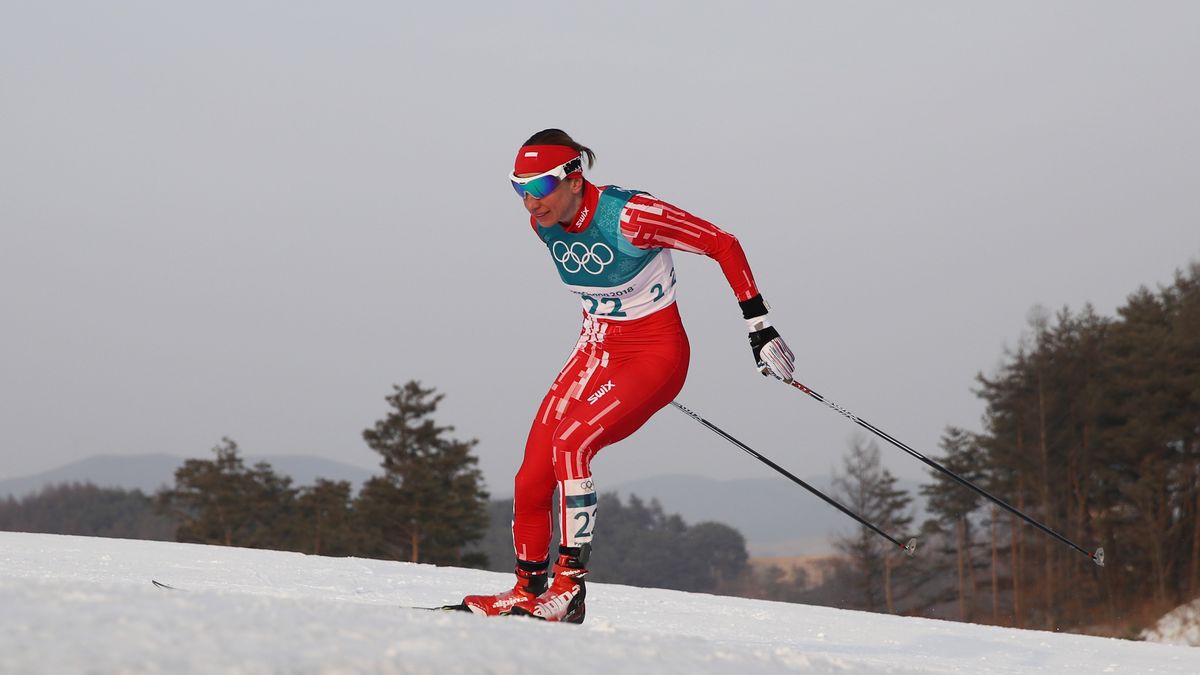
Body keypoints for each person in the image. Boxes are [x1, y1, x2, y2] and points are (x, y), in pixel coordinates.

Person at [458, 129, 794, 623]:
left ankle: (569, 590)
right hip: (595, 353)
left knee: (572, 444)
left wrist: (759, 327)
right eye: (518, 187)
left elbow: (724, 244)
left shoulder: (632, 216)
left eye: (542, 186)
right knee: (531, 475)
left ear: (575, 178)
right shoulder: (543, 222)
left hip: (654, 356)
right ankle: (527, 590)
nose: (530, 201)